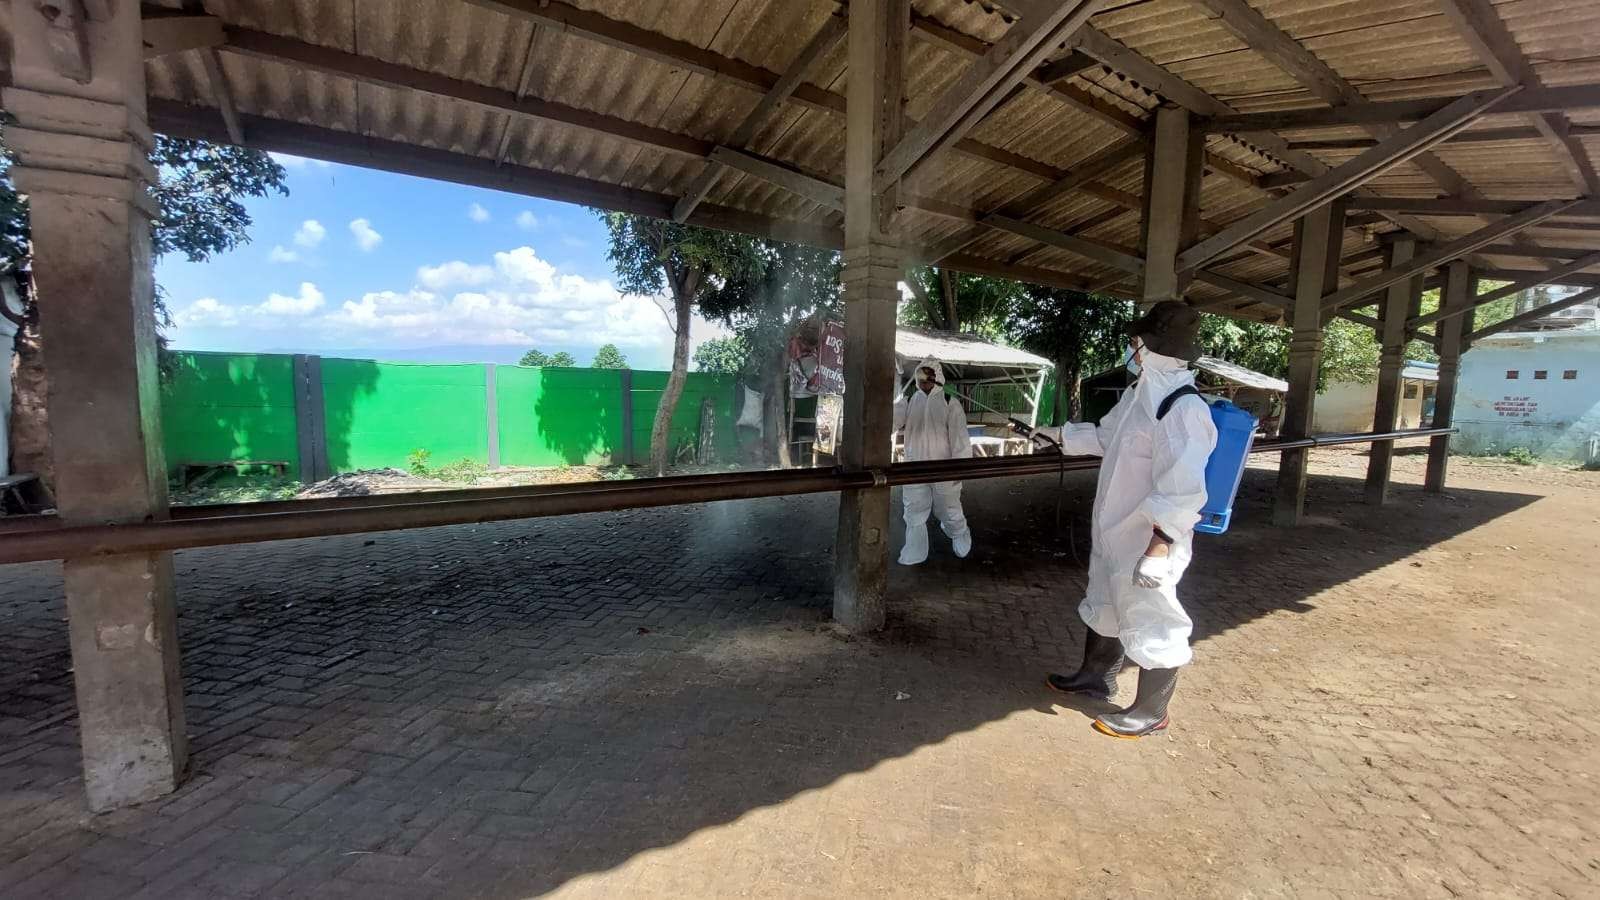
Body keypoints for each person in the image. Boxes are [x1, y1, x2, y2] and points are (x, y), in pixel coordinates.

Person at [1031, 301, 1217, 739]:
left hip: (1148, 537)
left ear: (1155, 347)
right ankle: (1096, 677)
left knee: (1152, 613)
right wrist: (1058, 437)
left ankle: (1153, 710)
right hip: (1115, 529)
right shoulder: (1141, 395)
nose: (1131, 348)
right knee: (1106, 600)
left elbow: (1183, 486)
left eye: (1137, 341)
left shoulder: (1182, 408)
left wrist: (1160, 544)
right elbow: (1105, 437)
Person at [894, 357, 973, 565]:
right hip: (915, 466)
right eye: (921, 375)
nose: (924, 380)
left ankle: (959, 532)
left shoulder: (949, 402)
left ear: (937, 377)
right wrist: (897, 389)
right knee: (913, 510)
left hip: (945, 469)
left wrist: (960, 469)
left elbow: (960, 439)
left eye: (929, 375)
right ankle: (915, 549)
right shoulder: (909, 401)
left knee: (948, 509)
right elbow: (892, 422)